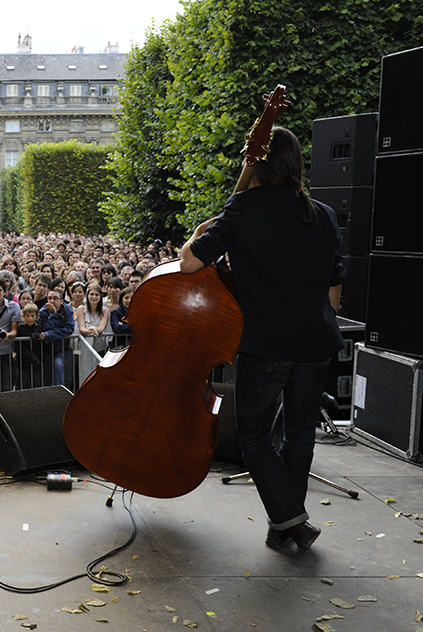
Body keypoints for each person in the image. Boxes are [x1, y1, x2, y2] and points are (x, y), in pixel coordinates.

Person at [179, 126, 345, 552]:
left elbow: (190, 265)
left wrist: (200, 229)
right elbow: (334, 293)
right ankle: (284, 525)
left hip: (265, 344)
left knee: (253, 438)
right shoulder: (323, 213)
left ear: (259, 163)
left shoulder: (244, 208)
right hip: (317, 343)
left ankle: (292, 519)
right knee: (300, 436)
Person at [36, 289, 75, 387]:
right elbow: (45, 328)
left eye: (55, 298)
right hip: (45, 349)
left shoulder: (67, 310)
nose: (52, 301)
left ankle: (60, 392)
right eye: (49, 298)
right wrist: (53, 314)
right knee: (47, 376)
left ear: (61, 301)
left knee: (58, 365)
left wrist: (49, 335)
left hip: (60, 348)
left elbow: (69, 329)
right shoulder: (43, 311)